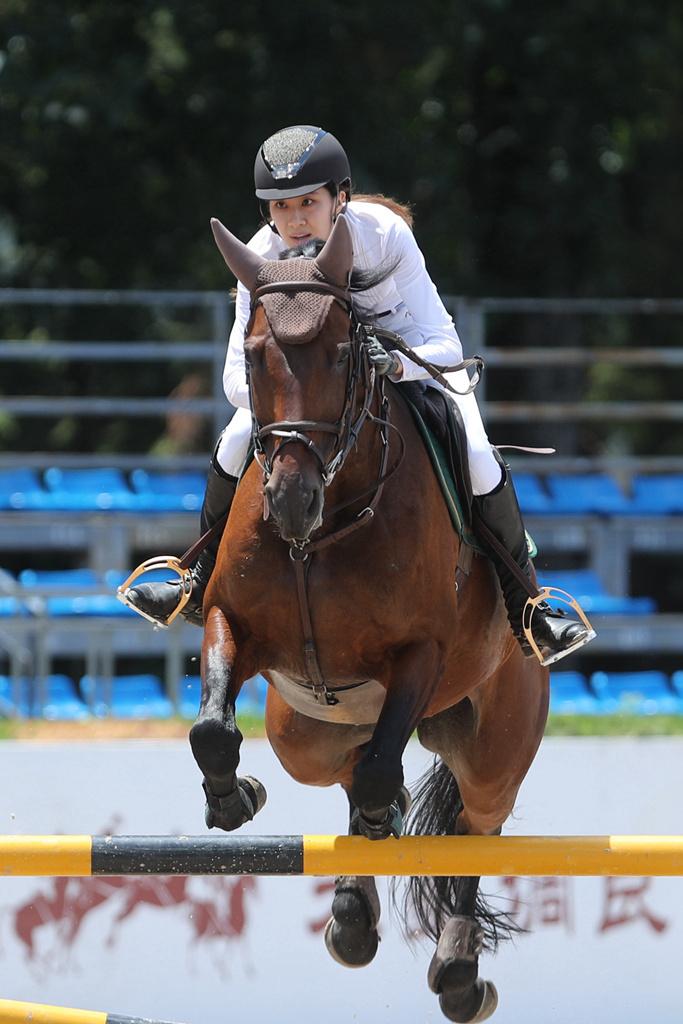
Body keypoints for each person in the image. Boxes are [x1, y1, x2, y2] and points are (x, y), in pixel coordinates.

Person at [125, 124, 593, 664]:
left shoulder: (386, 236)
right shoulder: (259, 260)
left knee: (479, 453)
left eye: (308, 203)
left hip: (410, 366)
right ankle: (194, 574)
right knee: (233, 441)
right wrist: (279, 397)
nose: (295, 220)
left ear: (339, 198)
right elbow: (235, 378)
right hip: (316, 393)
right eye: (281, 207)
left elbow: (445, 341)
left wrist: (395, 365)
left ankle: (527, 604)